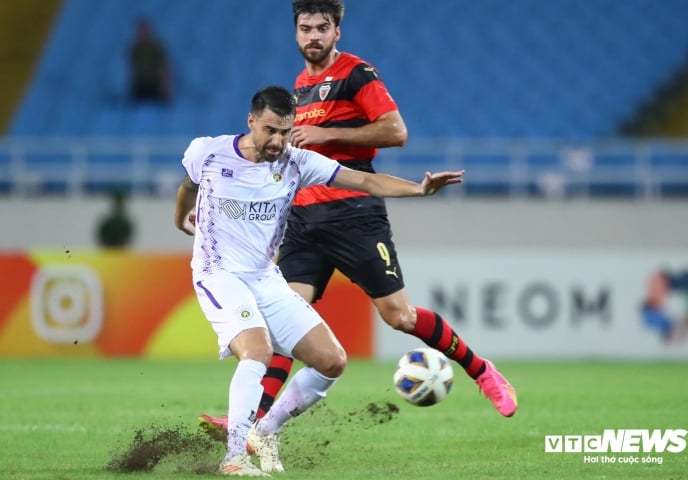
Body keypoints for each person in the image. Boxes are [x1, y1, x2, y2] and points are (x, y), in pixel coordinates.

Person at [199, 0, 517, 441]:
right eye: (305, 28)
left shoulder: (356, 74)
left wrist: (330, 134)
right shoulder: (297, 90)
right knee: (282, 320)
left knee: (400, 317)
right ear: (296, 33)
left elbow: (395, 131)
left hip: (354, 214)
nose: (313, 36)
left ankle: (482, 371)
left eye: (322, 28)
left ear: (336, 32)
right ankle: (252, 423)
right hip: (303, 220)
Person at [175, 85, 463, 476]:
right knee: (257, 352)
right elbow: (189, 186)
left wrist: (419, 189)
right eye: (270, 130)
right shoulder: (207, 151)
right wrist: (181, 219)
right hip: (218, 273)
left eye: (285, 131)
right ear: (251, 122)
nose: (278, 141)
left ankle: (265, 430)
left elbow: (365, 182)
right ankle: (234, 458)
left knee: (331, 361)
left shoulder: (297, 162)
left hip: (264, 276)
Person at [128, 18, 172, 103]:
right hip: (141, 83)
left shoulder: (156, 48)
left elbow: (164, 68)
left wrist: (165, 88)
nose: (142, 34)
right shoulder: (135, 49)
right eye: (140, 31)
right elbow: (132, 70)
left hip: (154, 83)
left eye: (145, 31)